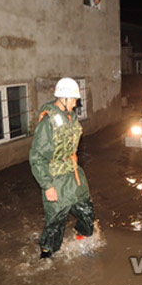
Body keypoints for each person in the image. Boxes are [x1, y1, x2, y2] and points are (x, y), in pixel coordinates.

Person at [29, 78, 94, 259]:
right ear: (63, 98)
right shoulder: (48, 123)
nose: (76, 102)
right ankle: (46, 259)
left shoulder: (69, 116)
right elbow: (36, 157)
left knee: (87, 212)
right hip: (55, 178)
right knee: (55, 223)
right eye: (73, 99)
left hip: (73, 174)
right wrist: (47, 185)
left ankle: (83, 242)